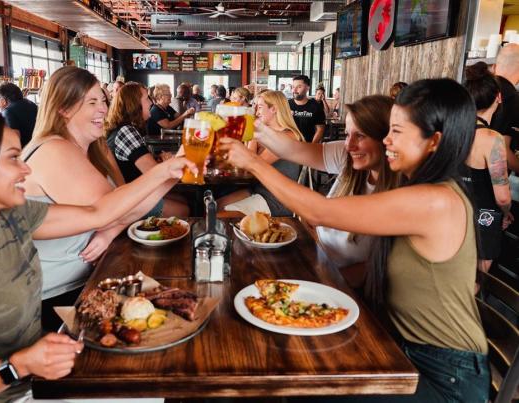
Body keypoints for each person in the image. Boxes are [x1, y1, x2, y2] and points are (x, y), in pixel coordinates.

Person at [221, 79, 490, 402]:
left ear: (434, 141)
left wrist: (252, 163)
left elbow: (318, 211)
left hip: (443, 375)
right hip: (400, 347)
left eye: (397, 132)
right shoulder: (418, 186)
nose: (386, 140)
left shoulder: (435, 200)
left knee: (300, 388)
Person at [0, 106, 195, 402]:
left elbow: (98, 213)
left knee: (152, 384)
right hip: (10, 393)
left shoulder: (12, 216)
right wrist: (20, 365)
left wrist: (166, 170)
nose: (26, 168)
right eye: (13, 158)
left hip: (44, 375)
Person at [21, 67, 169, 329]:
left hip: (91, 277)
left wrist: (174, 172)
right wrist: (168, 170)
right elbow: (115, 212)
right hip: (52, 298)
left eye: (103, 100)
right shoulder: (54, 149)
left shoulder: (94, 147)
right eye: (92, 102)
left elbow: (123, 205)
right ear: (64, 109)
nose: (103, 108)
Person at [244, 95, 400, 276]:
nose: (349, 145)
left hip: (339, 285)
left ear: (387, 139)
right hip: (317, 262)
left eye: (361, 135)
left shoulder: (403, 193)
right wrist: (251, 126)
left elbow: (317, 213)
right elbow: (292, 150)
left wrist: (252, 162)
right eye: (348, 134)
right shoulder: (347, 156)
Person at [105, 81, 189, 217]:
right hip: (130, 200)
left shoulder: (126, 127)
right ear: (135, 104)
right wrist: (181, 156)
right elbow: (154, 174)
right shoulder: (126, 130)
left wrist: (159, 160)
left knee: (184, 199)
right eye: (146, 99)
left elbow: (134, 164)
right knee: (184, 210)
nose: (151, 103)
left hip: (134, 193)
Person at [218, 90, 302, 217]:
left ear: (274, 109)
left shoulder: (288, 136)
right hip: (259, 190)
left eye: (260, 107)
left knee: (221, 215)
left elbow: (251, 166)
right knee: (216, 205)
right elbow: (248, 162)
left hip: (278, 199)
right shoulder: (266, 133)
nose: (255, 111)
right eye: (255, 106)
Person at [463, 62, 513, 272]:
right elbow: (502, 197)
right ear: (498, 98)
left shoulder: (454, 131)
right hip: (484, 219)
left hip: (456, 213)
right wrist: (506, 213)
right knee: (475, 280)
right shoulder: (492, 139)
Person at [492, 43, 519, 174]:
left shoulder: (473, 89)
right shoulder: (515, 101)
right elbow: (502, 151)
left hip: (456, 178)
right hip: (491, 181)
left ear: (493, 67)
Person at [0, 82, 38, 148]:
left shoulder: (8, 112)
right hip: (37, 149)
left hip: (22, 153)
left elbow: (10, 142)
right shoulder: (32, 104)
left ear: (3, 101)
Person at [288, 75, 326, 143]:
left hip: (308, 144)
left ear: (307, 88)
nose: (294, 90)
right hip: (289, 144)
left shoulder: (316, 106)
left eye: (299, 87)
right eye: (293, 87)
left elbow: (320, 129)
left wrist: (311, 146)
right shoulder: (286, 105)